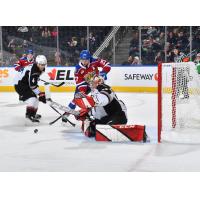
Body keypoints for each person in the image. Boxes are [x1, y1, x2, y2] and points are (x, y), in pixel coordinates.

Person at [62, 50, 111, 122]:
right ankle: (67, 113)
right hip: (84, 84)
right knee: (76, 98)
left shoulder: (94, 61)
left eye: (86, 60)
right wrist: (83, 91)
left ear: (89, 58)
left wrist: (102, 74)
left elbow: (107, 64)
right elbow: (79, 81)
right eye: (82, 60)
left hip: (96, 83)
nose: (84, 62)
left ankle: (98, 114)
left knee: (97, 98)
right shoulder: (78, 68)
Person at [13, 55, 47, 123]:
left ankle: (33, 114)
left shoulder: (39, 68)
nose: (42, 66)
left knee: (36, 99)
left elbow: (32, 80)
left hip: (25, 83)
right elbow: (32, 86)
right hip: (20, 85)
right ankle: (28, 116)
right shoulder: (34, 70)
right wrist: (40, 94)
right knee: (32, 98)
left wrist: (35, 78)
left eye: (44, 65)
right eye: (41, 65)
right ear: (37, 63)